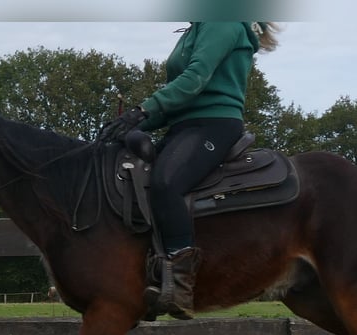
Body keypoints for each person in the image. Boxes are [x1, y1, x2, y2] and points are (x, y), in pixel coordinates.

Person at [99, 22, 279, 319]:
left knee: (166, 182)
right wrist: (131, 124)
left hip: (214, 124)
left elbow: (194, 80)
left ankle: (181, 287)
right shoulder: (195, 29)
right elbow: (179, 103)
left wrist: (142, 109)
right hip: (184, 127)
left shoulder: (222, 20)